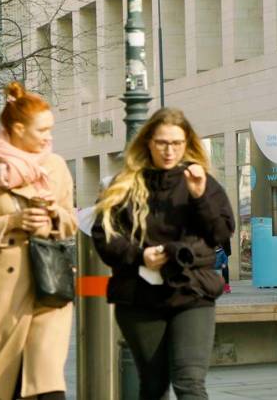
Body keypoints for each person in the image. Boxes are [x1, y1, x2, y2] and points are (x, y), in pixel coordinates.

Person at [90, 108, 235, 399]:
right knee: (154, 385)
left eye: (177, 144)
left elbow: (220, 234)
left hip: (192, 292)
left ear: (187, 143)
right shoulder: (126, 185)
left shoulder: (203, 182)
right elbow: (103, 236)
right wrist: (139, 256)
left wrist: (199, 197)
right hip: (140, 296)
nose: (170, 151)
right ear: (148, 143)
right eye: (162, 143)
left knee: (190, 383)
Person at [0, 82, 79, 400]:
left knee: (47, 381)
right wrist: (13, 222)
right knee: (4, 384)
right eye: (42, 130)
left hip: (47, 286)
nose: (48, 137)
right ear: (18, 128)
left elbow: (70, 221)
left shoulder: (56, 167)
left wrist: (53, 216)